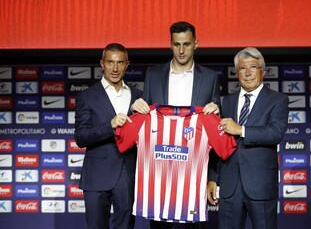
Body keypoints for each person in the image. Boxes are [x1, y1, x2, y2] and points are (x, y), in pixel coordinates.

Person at [131, 21, 221, 228]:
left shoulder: (209, 78)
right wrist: (134, 108)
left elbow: (214, 132)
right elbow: (144, 120)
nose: (181, 50)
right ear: (170, 44)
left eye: (186, 44)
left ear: (196, 44)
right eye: (176, 44)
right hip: (159, 170)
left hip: (193, 173)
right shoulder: (153, 74)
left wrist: (212, 177)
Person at [207, 47, 289, 229]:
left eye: (253, 67)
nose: (248, 73)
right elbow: (217, 143)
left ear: (263, 72)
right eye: (243, 68)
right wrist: (213, 178)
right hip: (230, 186)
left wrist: (241, 129)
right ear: (237, 73)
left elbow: (275, 133)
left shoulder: (278, 100)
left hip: (260, 186)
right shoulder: (225, 102)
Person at [75, 43, 142, 229]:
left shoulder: (139, 96)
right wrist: (110, 125)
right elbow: (81, 137)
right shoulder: (86, 96)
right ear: (102, 63)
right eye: (110, 62)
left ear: (127, 64)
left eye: (120, 63)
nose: (115, 68)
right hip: (96, 176)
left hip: (127, 175)